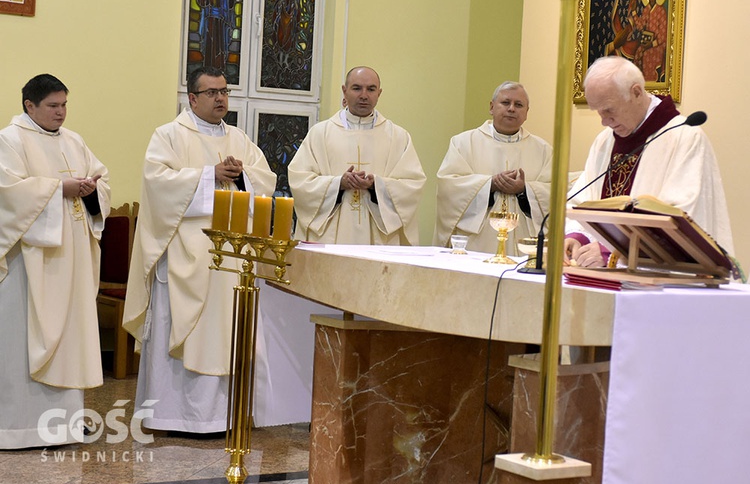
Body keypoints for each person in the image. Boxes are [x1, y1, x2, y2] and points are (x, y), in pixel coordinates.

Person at [123, 66, 276, 433]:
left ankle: (223, 416)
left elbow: (265, 181)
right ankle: (173, 415)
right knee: (183, 329)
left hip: (233, 253)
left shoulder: (239, 139)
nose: (220, 98)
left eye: (224, 91)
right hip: (184, 254)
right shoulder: (169, 136)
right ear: (192, 98)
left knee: (227, 331)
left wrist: (241, 177)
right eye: (211, 92)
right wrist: (210, 175)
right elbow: (157, 184)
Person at [0, 74, 111, 448]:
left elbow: (101, 179)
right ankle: (16, 428)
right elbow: (7, 195)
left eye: (64, 104)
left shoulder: (74, 140)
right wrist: (57, 189)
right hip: (30, 265)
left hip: (72, 258)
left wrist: (92, 191)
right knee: (22, 337)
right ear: (29, 106)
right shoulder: (9, 140)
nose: (60, 112)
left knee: (70, 335)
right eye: (52, 105)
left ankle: (63, 425)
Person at [564, 56, 734, 267]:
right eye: (598, 112)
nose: (604, 121)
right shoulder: (605, 141)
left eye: (609, 110)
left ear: (636, 92)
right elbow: (582, 201)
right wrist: (577, 237)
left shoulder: (684, 137)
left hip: (667, 280)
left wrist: (614, 252)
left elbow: (681, 218)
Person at [288, 66, 426, 245]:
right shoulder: (320, 133)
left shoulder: (398, 137)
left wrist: (376, 185)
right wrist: (338, 183)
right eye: (356, 88)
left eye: (371, 89)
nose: (364, 95)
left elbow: (412, 185)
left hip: (379, 236)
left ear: (379, 93)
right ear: (344, 91)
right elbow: (300, 181)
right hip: (331, 235)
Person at [433, 82, 552, 255]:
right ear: (491, 107)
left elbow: (555, 194)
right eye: (505, 103)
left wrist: (525, 190)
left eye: (518, 105)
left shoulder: (543, 150)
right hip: (477, 240)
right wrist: (489, 184)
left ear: (526, 113)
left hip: (523, 242)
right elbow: (448, 187)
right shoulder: (463, 143)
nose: (512, 109)